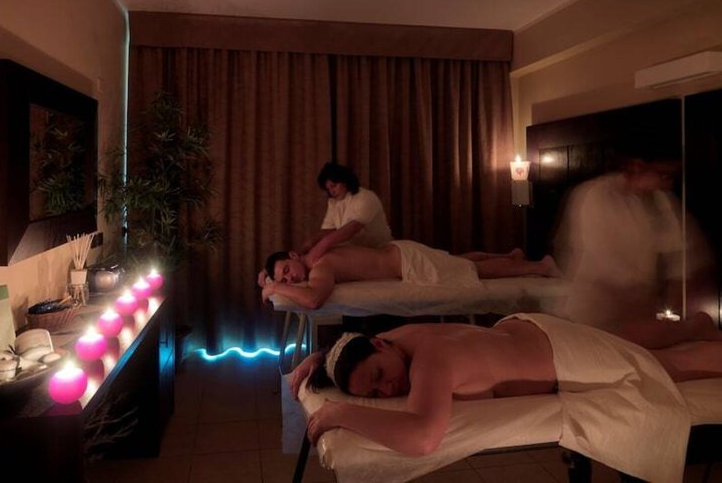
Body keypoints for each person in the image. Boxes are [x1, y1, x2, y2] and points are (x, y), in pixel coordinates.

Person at [289, 313, 722, 458]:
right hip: (536, 330)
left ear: (380, 345)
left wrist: (342, 412)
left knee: (663, 367)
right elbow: (354, 352)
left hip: (562, 361)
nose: (387, 390)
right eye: (374, 394)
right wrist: (317, 360)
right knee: (618, 336)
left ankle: (701, 342)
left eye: (379, 377)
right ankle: (694, 324)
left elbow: (422, 438)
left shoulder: (430, 360)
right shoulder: (400, 339)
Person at [555, 144, 710, 331]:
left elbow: (682, 256)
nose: (668, 184)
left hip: (639, 317)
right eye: (663, 175)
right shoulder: (595, 196)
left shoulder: (662, 202)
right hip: (593, 315)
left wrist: (676, 297)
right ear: (637, 166)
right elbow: (607, 267)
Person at [261, 240, 561, 309]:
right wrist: (270, 278)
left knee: (472, 272)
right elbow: (292, 275)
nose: (290, 279)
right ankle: (510, 257)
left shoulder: (321, 267)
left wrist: (274, 288)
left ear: (293, 256)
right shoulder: (313, 253)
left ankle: (541, 267)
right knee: (458, 262)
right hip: (402, 253)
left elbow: (313, 299)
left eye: (287, 271)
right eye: (284, 279)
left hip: (408, 264)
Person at [257, 162, 392, 288]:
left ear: (345, 180)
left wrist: (319, 249)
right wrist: (270, 269)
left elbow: (352, 229)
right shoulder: (334, 203)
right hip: (354, 253)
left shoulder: (365, 197)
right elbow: (327, 231)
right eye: (328, 189)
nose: (331, 191)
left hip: (379, 250)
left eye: (334, 185)